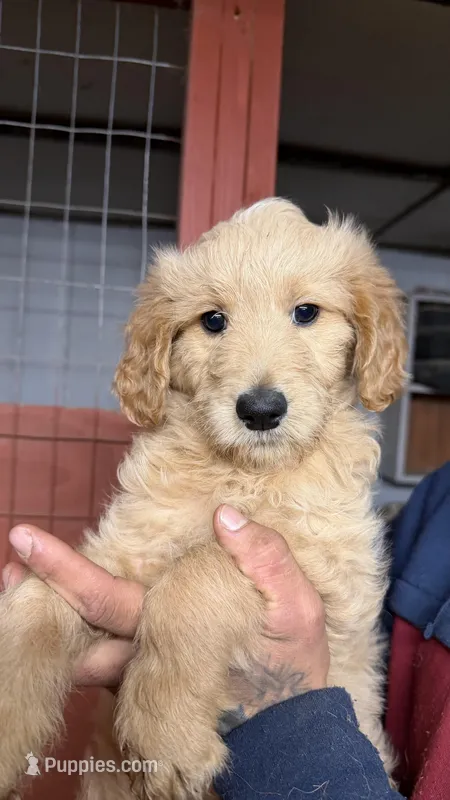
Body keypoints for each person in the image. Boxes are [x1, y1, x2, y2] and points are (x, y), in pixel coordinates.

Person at [2, 505, 404, 799]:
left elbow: (325, 612)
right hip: (121, 778)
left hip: (305, 773)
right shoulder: (422, 514)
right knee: (31, 607)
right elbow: (105, 585)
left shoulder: (331, 483)